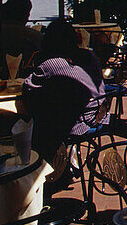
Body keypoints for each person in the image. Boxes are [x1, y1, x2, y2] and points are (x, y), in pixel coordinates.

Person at [21, 19, 108, 160]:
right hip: (98, 115)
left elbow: (29, 88)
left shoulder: (52, 63)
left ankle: (44, 165)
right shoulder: (89, 56)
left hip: (77, 122)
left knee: (32, 121)